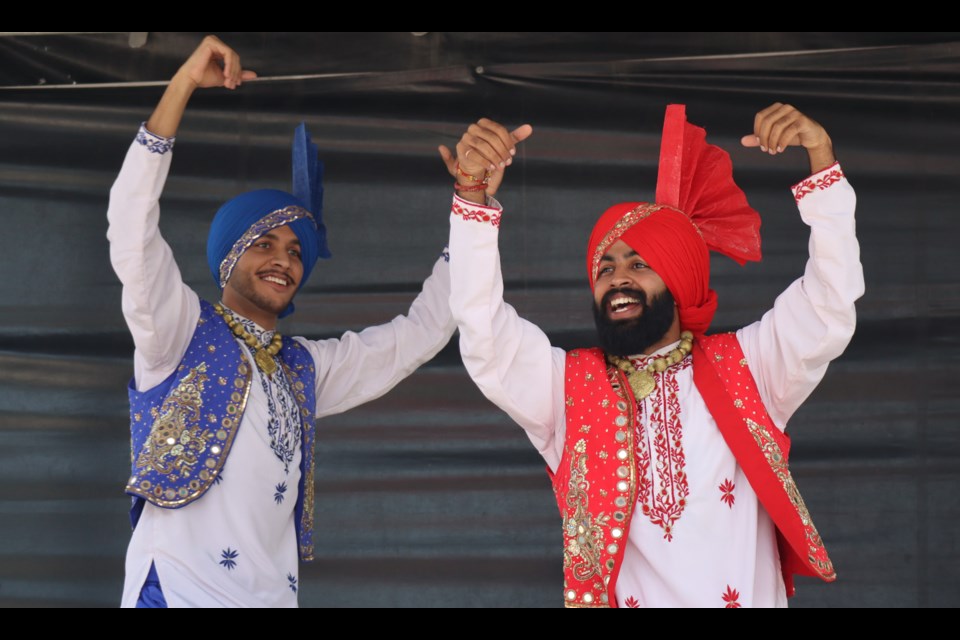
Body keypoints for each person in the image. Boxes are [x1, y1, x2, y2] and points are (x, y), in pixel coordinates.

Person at [440, 104, 864, 607]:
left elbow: (828, 302)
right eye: (605, 267)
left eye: (639, 263)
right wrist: (473, 198)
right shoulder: (566, 391)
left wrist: (821, 161)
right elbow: (485, 335)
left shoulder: (749, 367)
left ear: (679, 277)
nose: (617, 277)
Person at [108, 36, 455, 607]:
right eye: (265, 242)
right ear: (229, 258)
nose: (284, 259)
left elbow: (420, 333)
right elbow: (130, 226)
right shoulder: (178, 331)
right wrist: (183, 86)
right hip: (176, 592)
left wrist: (473, 209)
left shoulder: (304, 368)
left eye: (297, 250)